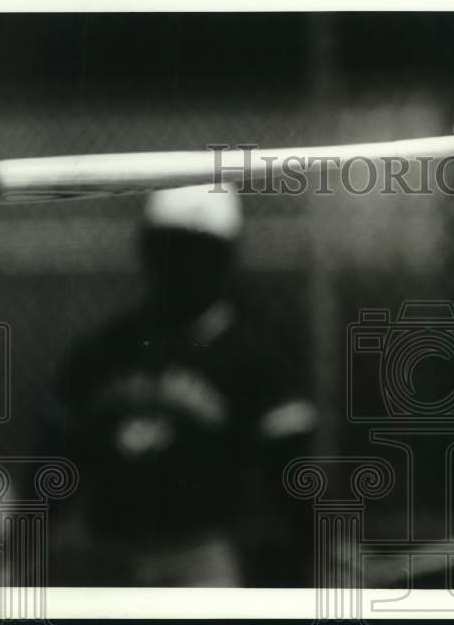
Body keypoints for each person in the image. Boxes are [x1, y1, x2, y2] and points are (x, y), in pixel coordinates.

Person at [56, 184, 316, 586]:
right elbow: (57, 457)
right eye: (170, 248)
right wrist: (19, 547)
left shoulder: (254, 356)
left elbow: (292, 473)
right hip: (109, 552)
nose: (182, 266)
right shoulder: (106, 349)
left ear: (224, 260)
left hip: (201, 554)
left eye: (198, 252)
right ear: (148, 251)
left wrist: (321, 548)